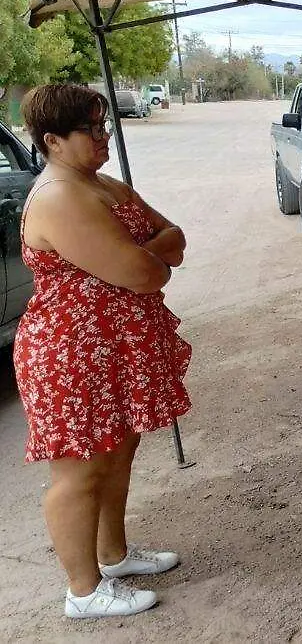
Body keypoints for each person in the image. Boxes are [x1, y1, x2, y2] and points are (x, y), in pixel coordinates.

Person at [16, 84, 192, 618]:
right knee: (79, 471)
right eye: (90, 129)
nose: (103, 135)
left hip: (112, 348)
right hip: (72, 354)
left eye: (103, 124)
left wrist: (146, 259)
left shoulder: (101, 186)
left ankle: (112, 557)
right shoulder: (60, 196)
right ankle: (84, 591)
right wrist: (148, 261)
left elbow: (175, 236)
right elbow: (144, 272)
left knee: (118, 452)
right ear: (53, 140)